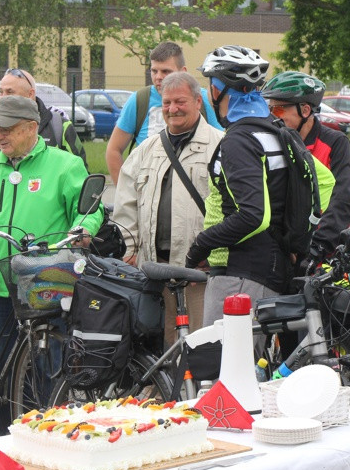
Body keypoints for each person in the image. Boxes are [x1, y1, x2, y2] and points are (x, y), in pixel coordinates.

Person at [0, 95, 103, 434]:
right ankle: (8, 435)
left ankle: (49, 432)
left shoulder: (64, 165)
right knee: (2, 365)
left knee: (49, 363)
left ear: (32, 128)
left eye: (8, 129)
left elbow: (90, 207)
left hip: (47, 278)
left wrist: (83, 228)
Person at [184, 45, 334, 328]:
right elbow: (324, 182)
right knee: (253, 369)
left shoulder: (240, 140)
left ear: (217, 91)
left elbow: (254, 215)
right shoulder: (276, 131)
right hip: (271, 271)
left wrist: (200, 246)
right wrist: (292, 236)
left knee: (218, 366)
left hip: (239, 277)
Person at [113, 72, 224, 340]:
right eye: (166, 103)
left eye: (180, 102)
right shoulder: (147, 149)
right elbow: (125, 205)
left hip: (199, 276)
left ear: (198, 102)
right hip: (154, 274)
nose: (172, 109)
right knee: (158, 354)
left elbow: (233, 209)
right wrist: (129, 250)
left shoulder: (221, 145)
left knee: (199, 350)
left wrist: (217, 256)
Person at [261, 70, 350, 269]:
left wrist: (315, 249)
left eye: (278, 110)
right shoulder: (274, 141)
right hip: (280, 252)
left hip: (319, 254)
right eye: (269, 109)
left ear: (304, 110)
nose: (271, 116)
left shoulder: (335, 143)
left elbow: (341, 203)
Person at [105, 41, 223, 184]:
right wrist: (125, 194)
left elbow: (221, 146)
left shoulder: (202, 99)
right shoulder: (139, 100)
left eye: (166, 71)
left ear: (183, 71)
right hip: (147, 193)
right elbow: (113, 150)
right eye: (154, 71)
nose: (158, 77)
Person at [0, 68, 88, 186]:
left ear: (30, 94)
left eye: (10, 92)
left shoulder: (59, 126)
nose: (2, 97)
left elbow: (80, 174)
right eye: (0, 92)